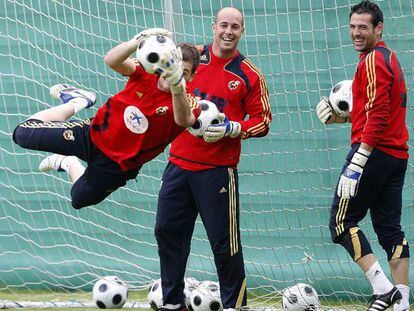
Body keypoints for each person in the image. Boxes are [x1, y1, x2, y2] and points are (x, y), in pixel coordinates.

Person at [155, 7, 272, 311]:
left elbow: (263, 121)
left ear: (242, 31)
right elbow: (162, 80)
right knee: (167, 232)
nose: (228, 32)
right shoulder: (191, 57)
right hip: (178, 164)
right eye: (224, 25)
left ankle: (236, 306)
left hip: (217, 172)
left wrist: (233, 128)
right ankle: (171, 303)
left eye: (235, 27)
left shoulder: (248, 74)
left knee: (225, 244)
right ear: (213, 27)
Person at [13, 28, 203, 209]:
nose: (173, 74)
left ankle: (67, 162)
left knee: (78, 199)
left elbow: (183, 120)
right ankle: (76, 101)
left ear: (192, 77)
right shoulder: (146, 71)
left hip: (116, 166)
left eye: (183, 73)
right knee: (21, 133)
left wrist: (177, 84)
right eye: (173, 67)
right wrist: (135, 42)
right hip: (92, 135)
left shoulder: (188, 101)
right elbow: (112, 61)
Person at [316, 1, 410, 310]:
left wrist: (359, 159)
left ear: (378, 28)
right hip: (396, 154)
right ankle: (402, 301)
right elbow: (377, 108)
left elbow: (379, 115)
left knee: (341, 222)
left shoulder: (372, 60)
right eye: (353, 26)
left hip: (373, 152)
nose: (356, 32)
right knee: (390, 228)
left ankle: (383, 290)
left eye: (363, 27)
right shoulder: (390, 58)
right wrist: (345, 118)